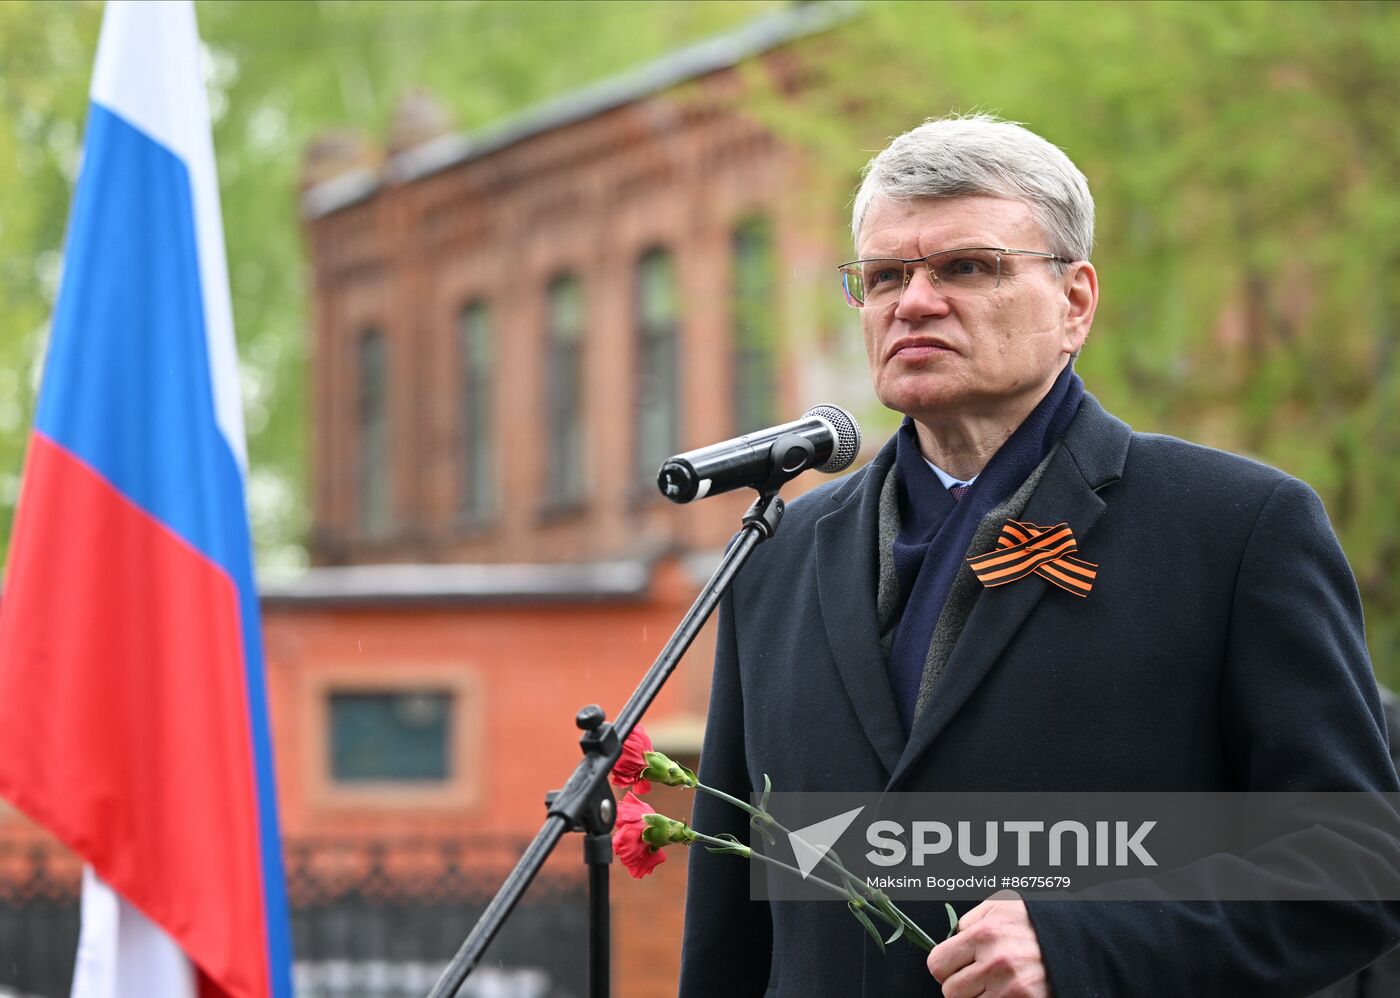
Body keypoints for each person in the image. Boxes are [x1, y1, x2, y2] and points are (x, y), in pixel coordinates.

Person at [678, 114, 1400, 997]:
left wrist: (1084, 942)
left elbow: (1355, 864)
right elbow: (733, 916)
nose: (913, 301)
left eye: (966, 268)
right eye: (884, 276)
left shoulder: (1239, 529)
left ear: (1076, 302)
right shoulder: (778, 554)